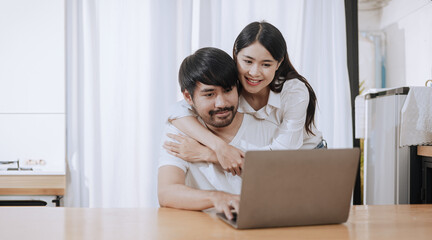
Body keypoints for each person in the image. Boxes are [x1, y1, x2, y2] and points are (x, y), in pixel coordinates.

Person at [164, 21, 325, 175]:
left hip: (307, 159)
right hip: (265, 167)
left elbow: (280, 156)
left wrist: (210, 154)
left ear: (279, 63)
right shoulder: (229, 88)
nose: (254, 72)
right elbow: (177, 111)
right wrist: (219, 147)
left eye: (266, 64)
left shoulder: (293, 91)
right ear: (235, 54)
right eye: (248, 61)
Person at [158, 47, 279, 220]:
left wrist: (211, 154)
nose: (221, 103)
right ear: (188, 97)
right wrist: (216, 197)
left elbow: (284, 185)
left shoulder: (266, 126)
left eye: (228, 90)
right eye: (209, 94)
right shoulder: (179, 132)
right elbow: (167, 192)